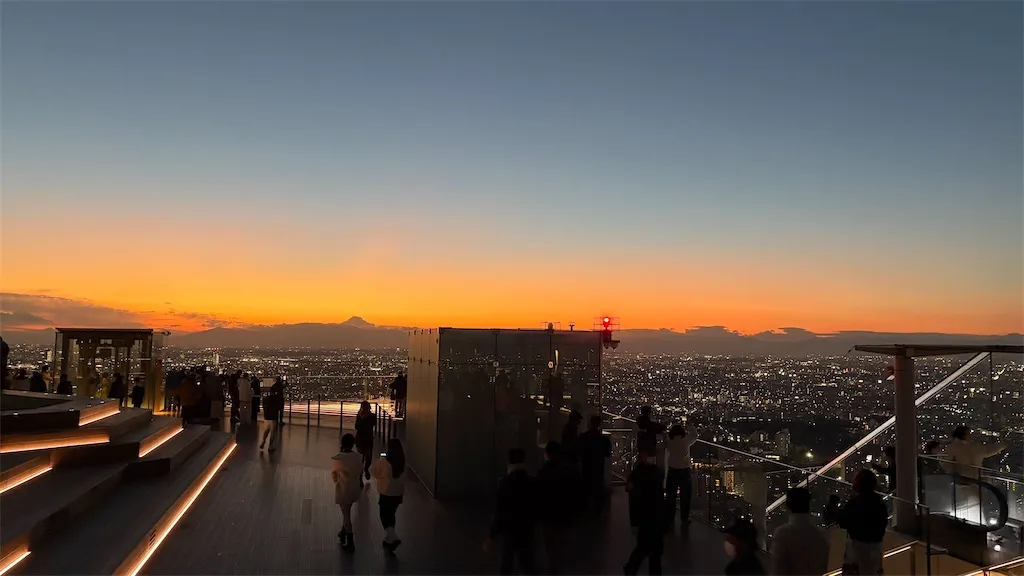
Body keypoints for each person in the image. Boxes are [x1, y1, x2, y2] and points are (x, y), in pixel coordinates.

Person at [486, 448, 539, 575]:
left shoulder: (504, 483)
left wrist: (492, 535)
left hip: (509, 530)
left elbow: (500, 511)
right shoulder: (532, 482)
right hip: (527, 528)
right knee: (528, 564)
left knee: (507, 563)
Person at [837, 469, 888, 576]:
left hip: (856, 551)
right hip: (875, 551)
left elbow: (843, 522)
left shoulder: (854, 503)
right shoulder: (879, 503)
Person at [536, 441, 577, 574]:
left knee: (551, 545)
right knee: (561, 544)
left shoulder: (543, 472)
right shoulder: (568, 471)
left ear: (547, 454)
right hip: (564, 514)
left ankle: (553, 567)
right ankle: (557, 567)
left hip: (548, 515)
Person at [624, 447, 665, 576]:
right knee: (654, 549)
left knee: (644, 546)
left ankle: (631, 568)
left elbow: (632, 495)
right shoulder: (656, 472)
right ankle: (645, 570)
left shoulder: (638, 473)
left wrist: (634, 521)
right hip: (654, 515)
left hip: (645, 515)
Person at [771, 487, 829, 576]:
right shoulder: (821, 534)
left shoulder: (782, 534)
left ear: (788, 505)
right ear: (809, 505)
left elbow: (777, 570)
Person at [371, 437, 407, 553]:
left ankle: (392, 536)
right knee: (391, 514)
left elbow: (374, 472)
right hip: (398, 494)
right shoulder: (402, 461)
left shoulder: (383, 462)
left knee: (384, 515)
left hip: (386, 492)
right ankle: (389, 539)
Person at [332, 433, 364, 552]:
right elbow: (360, 470)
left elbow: (334, 475)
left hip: (343, 488)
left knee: (346, 515)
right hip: (354, 488)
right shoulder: (357, 457)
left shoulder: (338, 458)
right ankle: (343, 532)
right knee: (347, 509)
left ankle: (350, 541)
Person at [664, 423, 698, 528]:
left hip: (672, 471)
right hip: (684, 471)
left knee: (671, 497)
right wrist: (690, 426)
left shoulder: (669, 441)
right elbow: (695, 435)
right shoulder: (685, 441)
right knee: (685, 497)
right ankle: (684, 519)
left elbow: (664, 437)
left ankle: (670, 519)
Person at [579, 414, 612, 514]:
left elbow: (579, 452)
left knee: (586, 488)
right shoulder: (603, 440)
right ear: (599, 424)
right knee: (597, 489)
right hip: (598, 467)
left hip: (586, 466)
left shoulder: (583, 437)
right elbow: (607, 454)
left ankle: (584, 511)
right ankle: (597, 511)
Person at [355, 401, 377, 485]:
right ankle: (361, 475)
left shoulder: (372, 416)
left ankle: (366, 469)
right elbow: (357, 426)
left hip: (366, 439)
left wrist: (363, 419)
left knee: (368, 458)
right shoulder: (360, 416)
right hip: (362, 439)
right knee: (362, 458)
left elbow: (372, 423)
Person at [261, 381, 282, 452]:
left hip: (266, 417)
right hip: (273, 417)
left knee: (266, 430)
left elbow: (263, 406)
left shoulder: (266, 399)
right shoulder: (276, 399)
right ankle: (270, 446)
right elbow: (279, 407)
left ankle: (263, 441)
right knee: (273, 432)